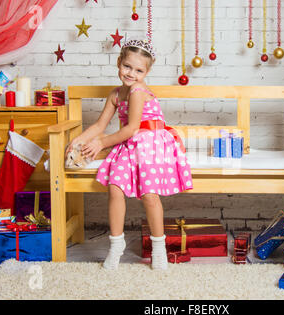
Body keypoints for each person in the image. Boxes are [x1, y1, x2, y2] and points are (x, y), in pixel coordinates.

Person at [66, 39, 193, 270]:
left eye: (138, 70)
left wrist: (101, 144)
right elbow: (99, 125)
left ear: (147, 72)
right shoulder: (115, 94)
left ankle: (158, 249)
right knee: (115, 187)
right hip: (130, 144)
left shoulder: (137, 91)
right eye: (127, 66)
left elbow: (132, 127)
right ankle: (116, 245)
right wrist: (79, 140)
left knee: (149, 194)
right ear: (118, 63)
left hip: (152, 143)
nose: (131, 73)